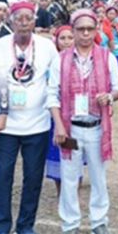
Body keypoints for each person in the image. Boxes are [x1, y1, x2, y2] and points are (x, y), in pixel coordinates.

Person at [48, 9, 118, 234]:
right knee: (69, 177)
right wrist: (59, 125)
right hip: (71, 129)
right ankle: (70, 225)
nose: (86, 34)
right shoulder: (60, 59)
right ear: (73, 30)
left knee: (99, 177)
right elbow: (52, 95)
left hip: (97, 127)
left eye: (90, 29)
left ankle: (99, 222)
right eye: (81, 29)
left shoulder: (106, 56)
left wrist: (109, 96)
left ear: (96, 30)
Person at [0, 1, 58, 234]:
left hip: (37, 124)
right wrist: (1, 112)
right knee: (3, 176)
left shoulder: (47, 47)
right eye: (19, 18)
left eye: (29, 18)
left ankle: (25, 226)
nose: (24, 22)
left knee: (33, 177)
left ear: (34, 20)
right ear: (12, 20)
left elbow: (55, 81)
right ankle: (0, 229)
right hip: (5, 126)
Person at [45, 24, 74, 195]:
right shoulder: (52, 61)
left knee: (73, 152)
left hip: (76, 115)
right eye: (62, 38)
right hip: (55, 114)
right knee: (57, 153)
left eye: (70, 37)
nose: (67, 42)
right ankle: (60, 193)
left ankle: (72, 193)